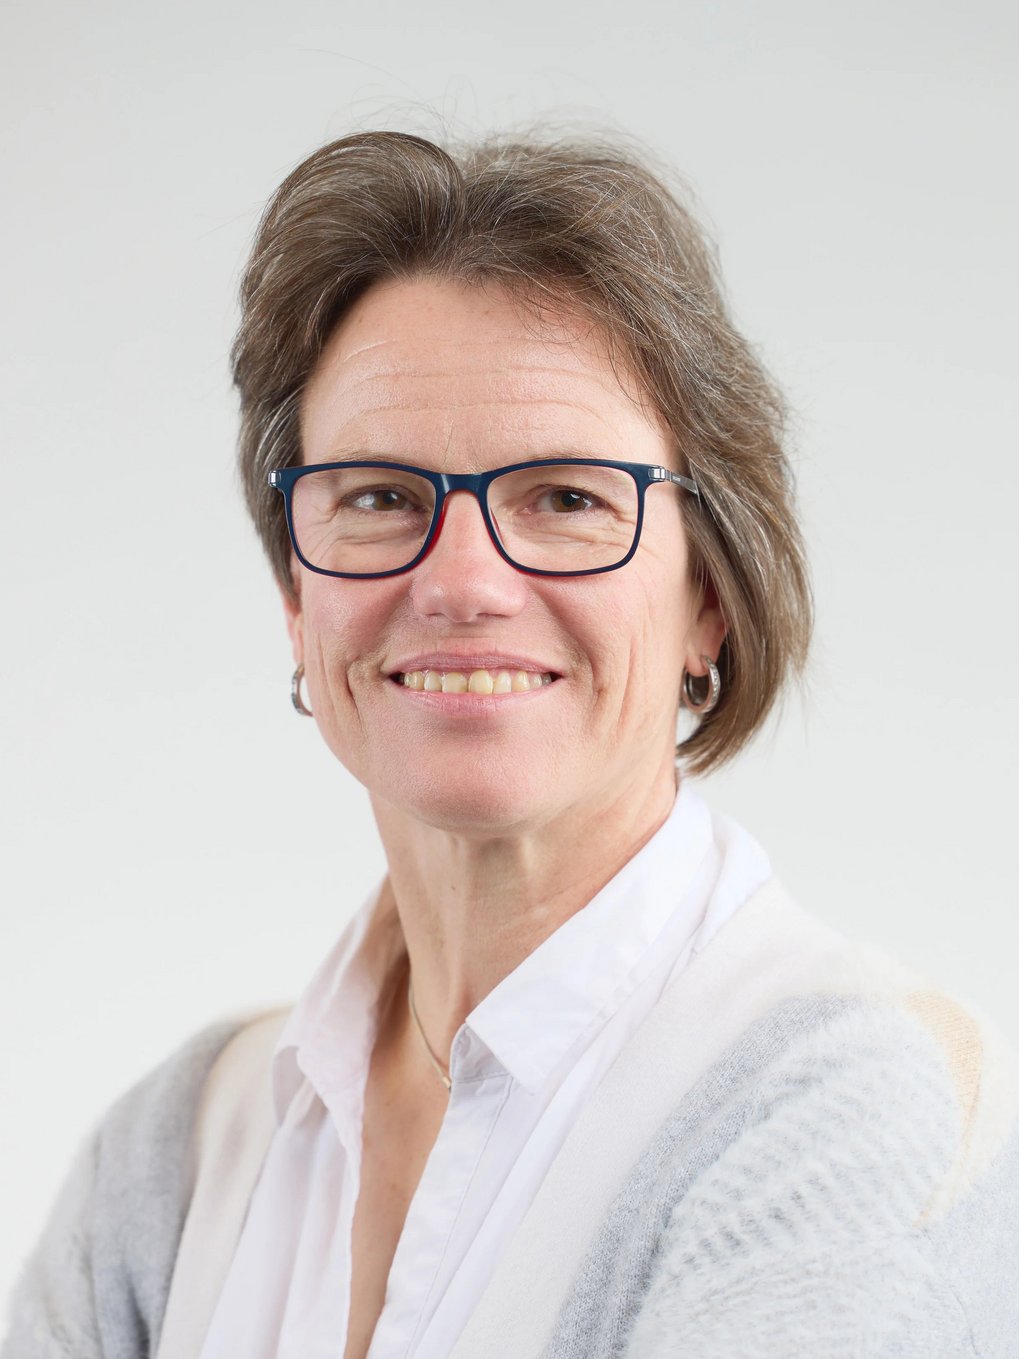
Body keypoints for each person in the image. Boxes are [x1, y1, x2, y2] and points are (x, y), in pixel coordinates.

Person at [4, 130, 1017, 1359]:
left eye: (567, 499)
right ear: (296, 600)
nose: (461, 583)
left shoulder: (852, 1116)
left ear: (708, 597)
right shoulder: (173, 1155)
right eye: (379, 497)